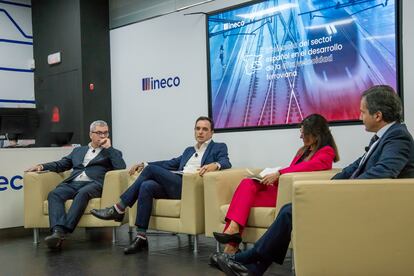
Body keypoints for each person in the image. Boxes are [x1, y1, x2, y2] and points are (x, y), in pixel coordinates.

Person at [215, 85, 414, 276]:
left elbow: (383, 173)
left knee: (289, 211)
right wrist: (330, 186)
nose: (360, 117)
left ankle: (247, 259)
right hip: (357, 197)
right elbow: (353, 168)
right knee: (287, 209)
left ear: (377, 115)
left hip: (368, 204)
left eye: (363, 112)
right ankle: (253, 268)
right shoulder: (381, 138)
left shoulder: (398, 137)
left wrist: (341, 190)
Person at [91, 116, 232, 254]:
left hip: (191, 188)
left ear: (211, 132)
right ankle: (141, 237)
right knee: (147, 185)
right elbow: (170, 163)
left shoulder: (218, 147)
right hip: (177, 183)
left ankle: (119, 208)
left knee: (150, 171)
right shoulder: (189, 150)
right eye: (198, 128)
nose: (200, 132)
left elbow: (226, 161)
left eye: (205, 129)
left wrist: (215, 164)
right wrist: (144, 164)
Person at [212, 114, 339, 256]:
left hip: (290, 195)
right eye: (301, 133)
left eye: (304, 134)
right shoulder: (303, 150)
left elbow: (307, 167)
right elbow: (294, 170)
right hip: (280, 189)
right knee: (247, 183)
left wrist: (278, 173)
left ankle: (231, 244)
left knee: (241, 200)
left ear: (316, 134)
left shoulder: (327, 151)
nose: (300, 137)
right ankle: (233, 235)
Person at [25, 120, 126, 249]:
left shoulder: (113, 152)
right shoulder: (78, 151)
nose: (103, 136)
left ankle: (63, 232)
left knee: (83, 193)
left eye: (105, 133)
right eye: (99, 133)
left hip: (95, 184)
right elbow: (62, 164)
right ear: (91, 134)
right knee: (55, 194)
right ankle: (57, 231)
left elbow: (121, 167)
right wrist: (41, 166)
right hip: (74, 182)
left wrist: (109, 149)